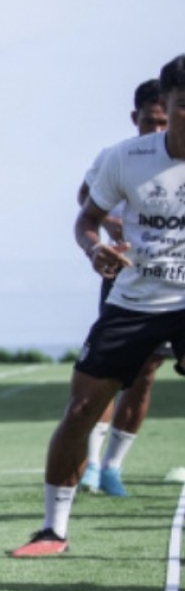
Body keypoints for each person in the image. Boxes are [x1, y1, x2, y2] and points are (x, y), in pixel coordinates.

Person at [12, 55, 185, 557]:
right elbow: (86, 219)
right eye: (182, 108)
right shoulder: (124, 159)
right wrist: (94, 248)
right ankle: (53, 531)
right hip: (134, 301)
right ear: (164, 107)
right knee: (83, 408)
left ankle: (111, 470)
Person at [75, 79, 170, 496]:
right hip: (125, 279)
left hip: (173, 285)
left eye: (163, 121)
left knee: (146, 376)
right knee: (106, 376)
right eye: (149, 121)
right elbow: (85, 199)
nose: (156, 130)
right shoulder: (117, 158)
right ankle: (91, 465)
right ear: (136, 118)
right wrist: (110, 227)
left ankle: (113, 467)